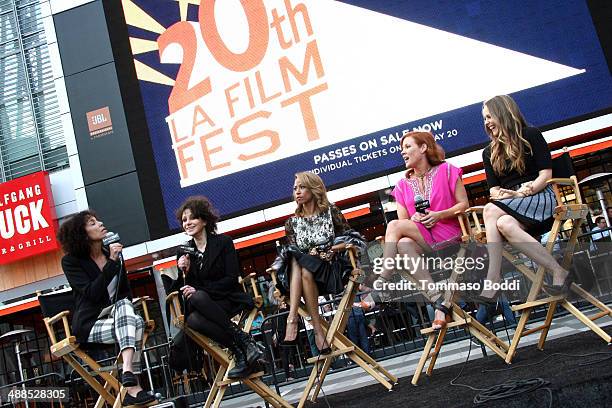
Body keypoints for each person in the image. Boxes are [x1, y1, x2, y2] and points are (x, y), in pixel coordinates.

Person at [478, 94, 572, 300]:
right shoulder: (488, 152)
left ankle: (493, 277)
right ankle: (558, 271)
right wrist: (503, 194)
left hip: (540, 196)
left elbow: (546, 174)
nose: (487, 123)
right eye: (484, 119)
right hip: (511, 203)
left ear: (503, 113)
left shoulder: (531, 134)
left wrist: (526, 191)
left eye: (489, 116)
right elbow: (493, 189)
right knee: (504, 224)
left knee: (490, 209)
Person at [57, 210, 156, 407]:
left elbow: (124, 292)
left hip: (118, 319)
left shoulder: (112, 254)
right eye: (93, 223)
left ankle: (128, 375)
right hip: (90, 324)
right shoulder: (71, 262)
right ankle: (132, 383)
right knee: (134, 322)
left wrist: (113, 261)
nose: (101, 223)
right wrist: (110, 263)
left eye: (98, 221)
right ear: (81, 233)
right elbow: (92, 293)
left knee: (129, 312)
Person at [377, 131, 469, 330]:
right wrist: (414, 218)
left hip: (451, 235)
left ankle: (383, 279)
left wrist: (439, 214)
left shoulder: (447, 170)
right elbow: (404, 222)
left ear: (424, 148)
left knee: (393, 226)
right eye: (402, 149)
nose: (403, 152)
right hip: (423, 240)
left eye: (408, 147)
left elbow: (464, 205)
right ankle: (438, 301)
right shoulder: (401, 185)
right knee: (402, 241)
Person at [171, 196, 264, 378]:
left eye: (192, 218)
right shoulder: (184, 252)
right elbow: (181, 290)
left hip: (226, 298)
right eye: (184, 220)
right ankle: (242, 346)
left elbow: (231, 279)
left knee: (198, 298)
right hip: (203, 306)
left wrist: (201, 291)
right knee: (193, 320)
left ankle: (240, 347)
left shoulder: (223, 242)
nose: (187, 223)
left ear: (204, 220)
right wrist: (183, 271)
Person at [277, 172, 365, 355]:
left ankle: (292, 320)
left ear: (314, 188)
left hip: (331, 270)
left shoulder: (331, 212)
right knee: (299, 262)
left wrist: (331, 249)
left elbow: (352, 240)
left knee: (296, 258)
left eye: (302, 187)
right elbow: (295, 253)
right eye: (295, 189)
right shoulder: (291, 223)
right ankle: (318, 331)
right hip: (307, 277)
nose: (297, 192)